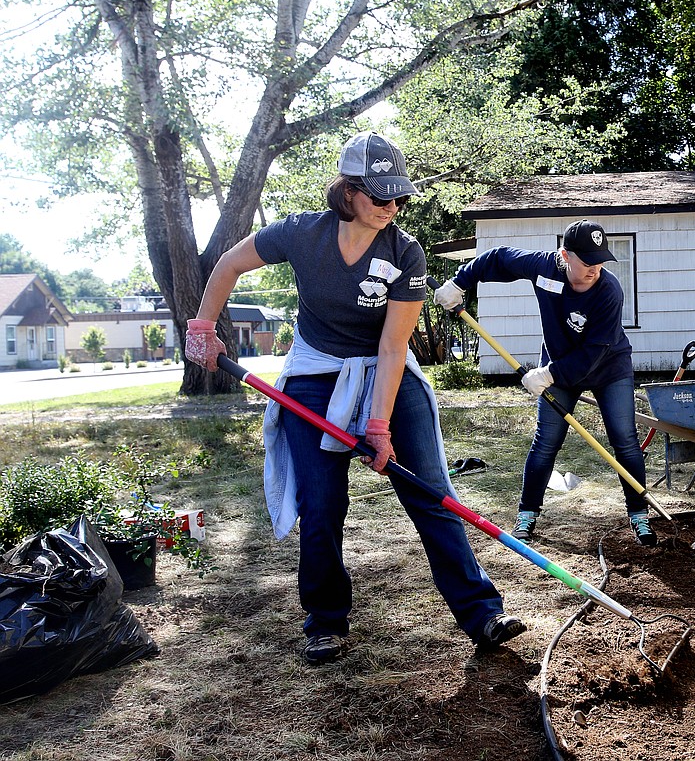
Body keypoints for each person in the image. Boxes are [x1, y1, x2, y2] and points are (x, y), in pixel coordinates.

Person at [184, 130, 525, 664]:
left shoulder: (405, 253)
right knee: (321, 505)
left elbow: (393, 348)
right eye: (379, 195)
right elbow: (227, 264)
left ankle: (482, 615)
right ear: (348, 192)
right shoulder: (300, 234)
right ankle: (325, 621)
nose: (391, 207)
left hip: (385, 371)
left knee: (432, 492)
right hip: (316, 372)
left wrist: (378, 424)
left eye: (398, 197)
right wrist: (203, 326)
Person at [435, 219, 657, 547]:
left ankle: (639, 515)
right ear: (565, 255)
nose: (595, 268)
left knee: (624, 440)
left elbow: (595, 350)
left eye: (600, 260)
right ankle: (527, 515)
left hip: (608, 369)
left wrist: (549, 374)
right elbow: (498, 257)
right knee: (546, 441)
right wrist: (460, 281)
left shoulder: (609, 291)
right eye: (587, 261)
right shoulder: (544, 269)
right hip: (557, 368)